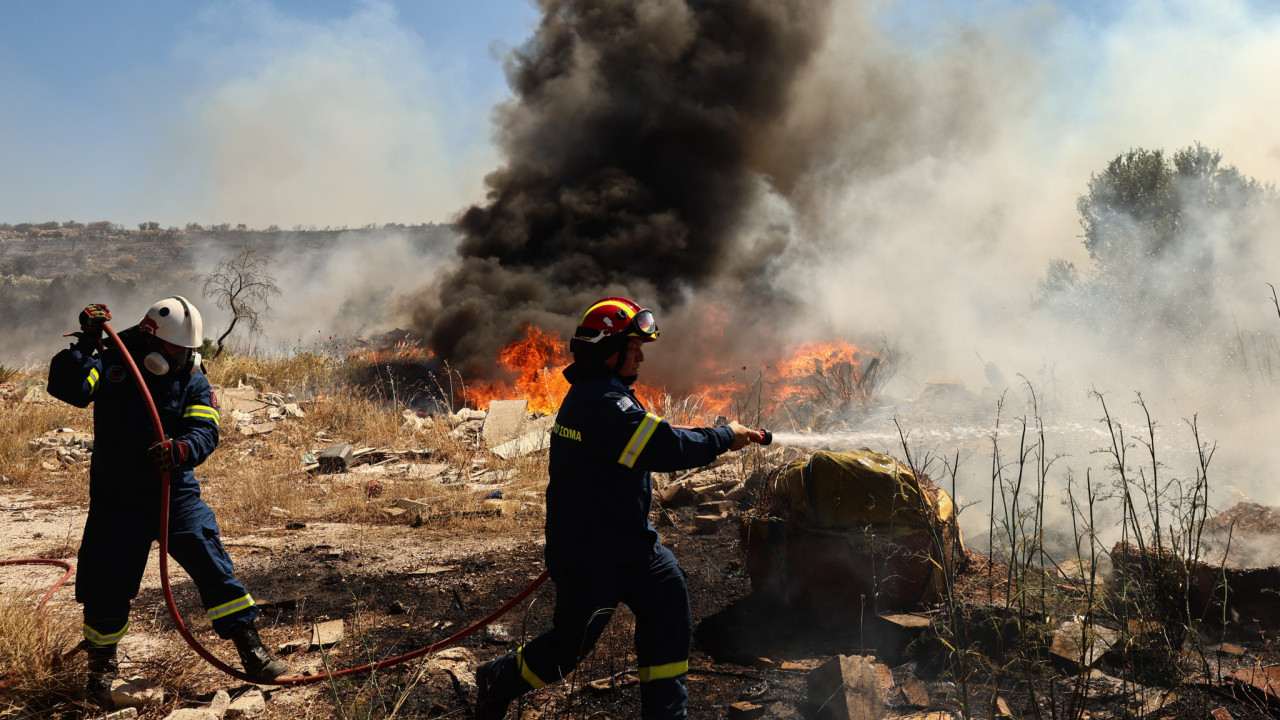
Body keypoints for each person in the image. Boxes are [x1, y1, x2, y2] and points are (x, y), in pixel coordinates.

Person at [474, 296, 761, 720]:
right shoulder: (604, 404)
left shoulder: (604, 394)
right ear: (608, 352)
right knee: (568, 649)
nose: (641, 355)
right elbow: (664, 446)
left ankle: (667, 714)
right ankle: (499, 679)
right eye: (633, 347)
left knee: (669, 602)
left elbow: (654, 435)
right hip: (591, 554)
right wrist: (724, 435)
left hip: (631, 545)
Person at [46, 297, 286, 705]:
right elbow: (68, 388)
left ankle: (252, 651)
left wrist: (182, 449)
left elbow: (206, 431)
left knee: (214, 566)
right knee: (105, 582)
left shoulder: (192, 377)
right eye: (176, 350)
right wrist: (87, 343)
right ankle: (101, 671)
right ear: (150, 339)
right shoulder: (112, 363)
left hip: (174, 494)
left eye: (187, 351)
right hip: (117, 499)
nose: (181, 358)